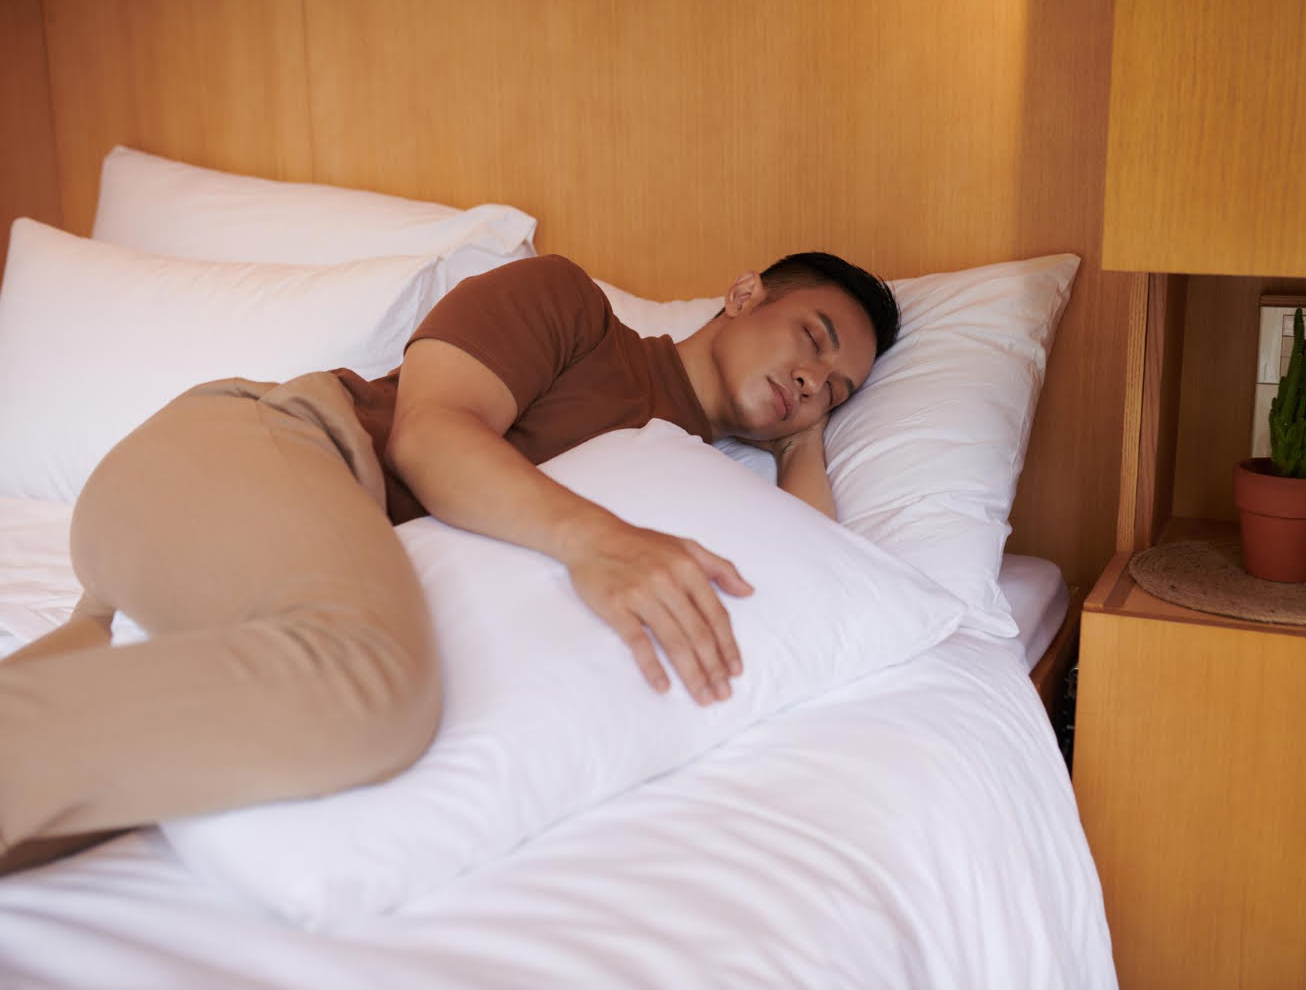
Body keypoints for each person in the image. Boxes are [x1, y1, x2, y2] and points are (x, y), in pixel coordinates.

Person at [0, 251, 900, 873]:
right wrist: (597, 543)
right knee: (365, 687)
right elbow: (429, 436)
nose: (814, 380)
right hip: (254, 453)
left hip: (200, 595)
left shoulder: (698, 481)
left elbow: (808, 584)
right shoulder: (568, 306)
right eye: (814, 338)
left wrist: (802, 445)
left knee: (47, 821)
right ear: (743, 294)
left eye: (839, 388)